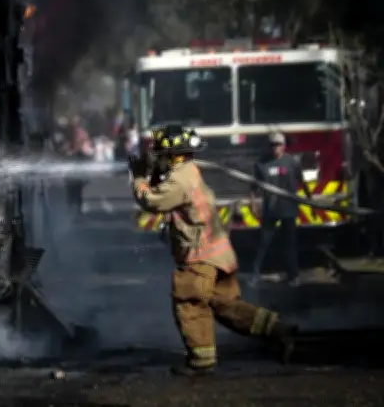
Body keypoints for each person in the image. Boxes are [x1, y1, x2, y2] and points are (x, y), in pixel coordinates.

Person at [129, 124, 298, 376]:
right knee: (225, 304)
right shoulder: (188, 172)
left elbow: (152, 201)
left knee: (190, 301)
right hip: (217, 253)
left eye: (160, 154)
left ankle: (201, 360)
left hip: (199, 257)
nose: (157, 159)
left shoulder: (180, 180)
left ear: (173, 154)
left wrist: (140, 178)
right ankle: (278, 329)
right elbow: (165, 191)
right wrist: (153, 174)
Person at [249, 132, 311, 287]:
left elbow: (301, 179)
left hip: (288, 208)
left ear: (283, 146)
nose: (275, 148)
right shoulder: (262, 163)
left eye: (278, 144)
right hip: (271, 209)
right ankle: (255, 275)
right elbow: (253, 187)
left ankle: (293, 276)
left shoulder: (291, 162)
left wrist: (309, 197)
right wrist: (253, 204)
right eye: (272, 145)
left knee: (290, 244)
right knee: (264, 242)